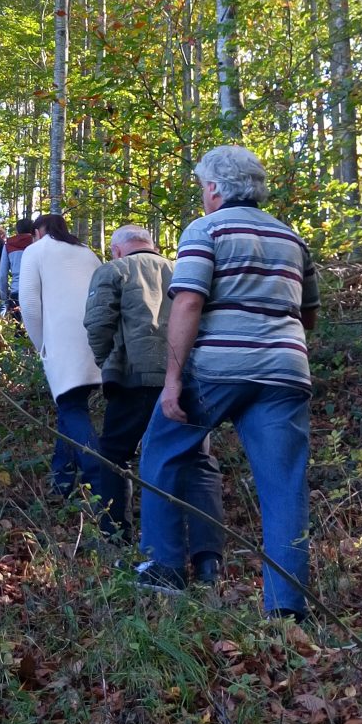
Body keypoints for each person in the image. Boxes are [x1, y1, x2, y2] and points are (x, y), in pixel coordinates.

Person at [136, 146, 319, 619]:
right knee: (284, 488)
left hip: (217, 369)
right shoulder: (291, 237)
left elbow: (188, 304)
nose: (201, 195)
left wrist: (172, 379)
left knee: (161, 451)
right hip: (285, 372)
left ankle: (166, 567)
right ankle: (286, 611)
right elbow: (310, 314)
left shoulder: (207, 229)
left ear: (214, 189)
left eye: (202, 187)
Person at [83, 227, 223, 579]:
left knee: (114, 455)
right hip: (187, 378)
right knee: (197, 461)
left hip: (134, 381)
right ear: (151, 244)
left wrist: (108, 364)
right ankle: (209, 559)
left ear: (117, 250)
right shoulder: (183, 269)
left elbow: (98, 324)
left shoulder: (113, 271)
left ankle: (116, 539)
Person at [17, 213, 102, 496]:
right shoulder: (87, 252)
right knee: (72, 406)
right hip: (95, 340)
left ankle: (101, 474)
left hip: (62, 343)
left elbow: (28, 303)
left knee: (71, 408)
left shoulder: (36, 251)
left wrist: (41, 343)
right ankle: (61, 482)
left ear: (39, 231)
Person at [0, 216, 36, 314]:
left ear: (17, 230)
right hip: (35, 292)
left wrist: (4, 299)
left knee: (18, 328)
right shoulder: (38, 244)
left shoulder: (8, 246)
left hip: (16, 292)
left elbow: (2, 275)